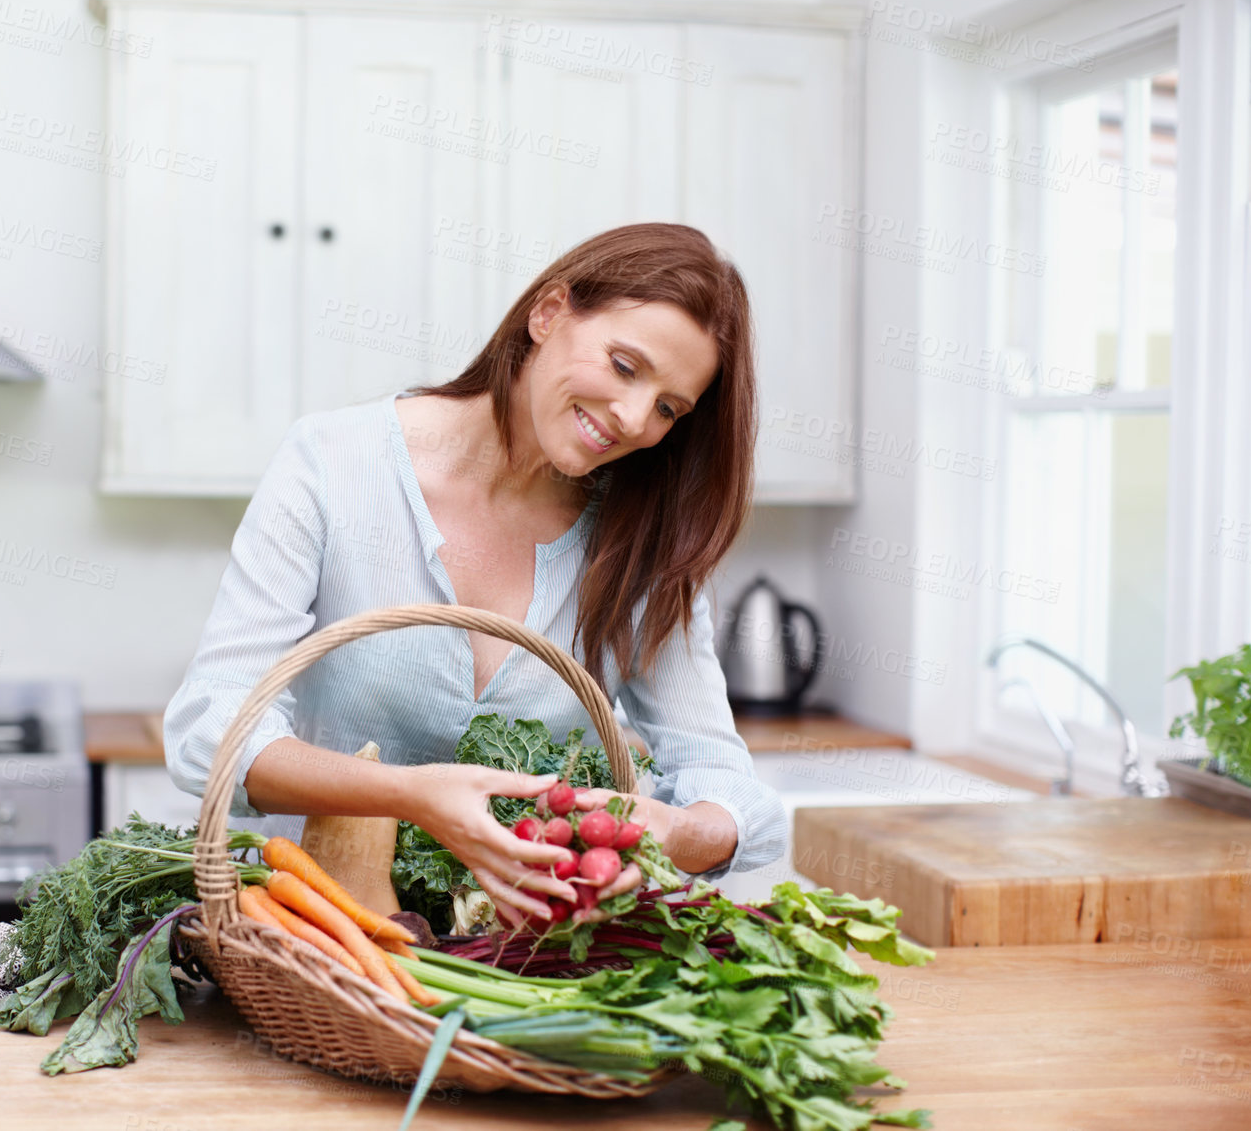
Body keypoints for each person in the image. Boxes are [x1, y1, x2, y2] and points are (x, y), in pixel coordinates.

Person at [164, 223, 788, 928]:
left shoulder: (640, 539)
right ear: (548, 313)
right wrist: (406, 793)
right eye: (623, 365)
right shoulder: (333, 463)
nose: (635, 418)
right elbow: (211, 726)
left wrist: (680, 832)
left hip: (529, 951)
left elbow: (723, 777)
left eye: (670, 408)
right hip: (324, 929)